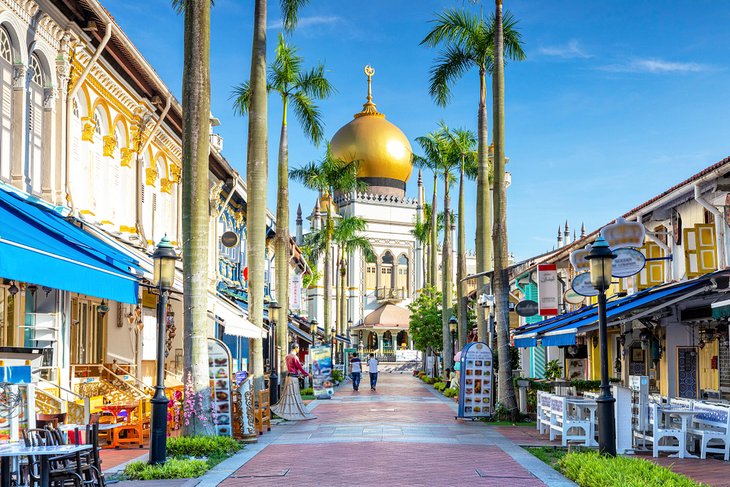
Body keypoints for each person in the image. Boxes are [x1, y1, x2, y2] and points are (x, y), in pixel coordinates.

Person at [271, 344, 316, 421]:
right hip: (293, 379)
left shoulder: (287, 356)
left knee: (288, 395)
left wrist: (300, 374)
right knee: (294, 395)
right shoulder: (294, 357)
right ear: (296, 348)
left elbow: (293, 368)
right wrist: (307, 374)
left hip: (289, 377)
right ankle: (293, 411)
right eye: (298, 348)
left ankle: (288, 410)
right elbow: (299, 367)